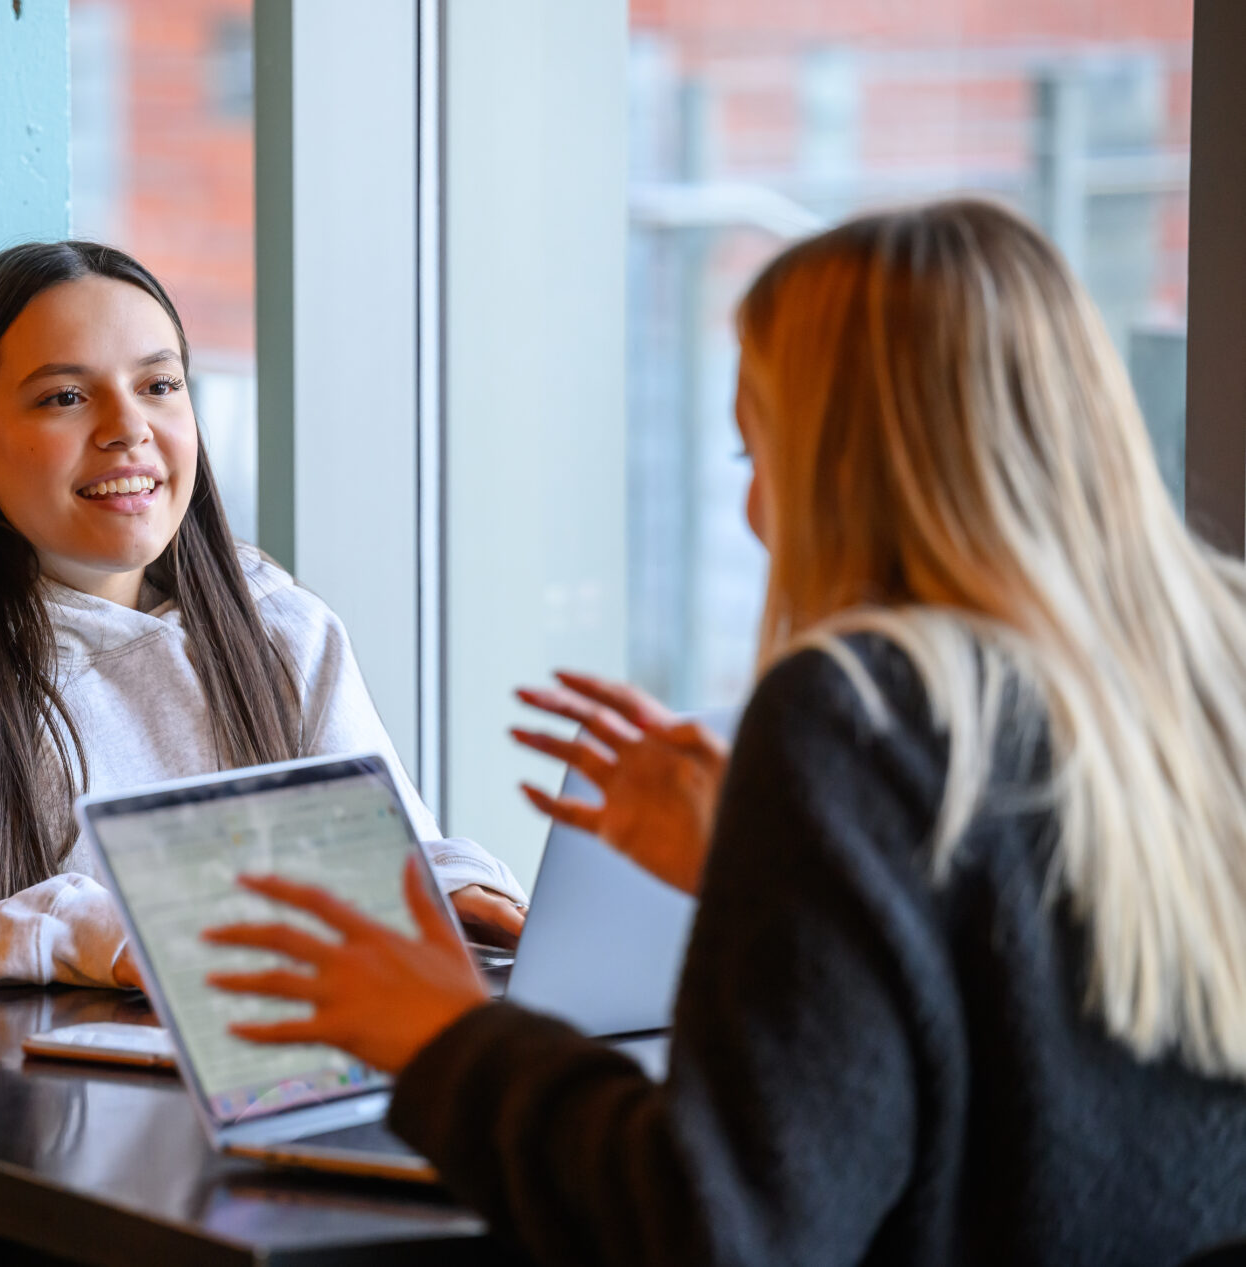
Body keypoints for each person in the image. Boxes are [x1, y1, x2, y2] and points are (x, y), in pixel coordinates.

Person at [206, 200, 1246, 1266]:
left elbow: (713, 1226)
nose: (754, 515)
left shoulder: (860, 710)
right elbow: (1046, 1053)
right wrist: (781, 876)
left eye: (758, 455)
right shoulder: (1213, 667)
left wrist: (441, 1039)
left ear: (844, 463)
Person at [0, 240, 527, 1266]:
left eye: (159, 384)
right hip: (13, 1203)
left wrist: (448, 889)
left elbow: (387, 845)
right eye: (65, 398)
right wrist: (87, 926)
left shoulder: (276, 622)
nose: (127, 430)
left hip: (271, 1141)